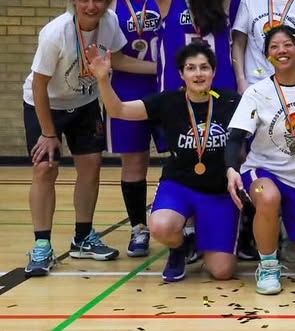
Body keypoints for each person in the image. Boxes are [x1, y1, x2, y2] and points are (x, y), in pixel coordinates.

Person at [54, 0, 162, 258]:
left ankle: (188, 220)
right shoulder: (107, 2)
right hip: (127, 90)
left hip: (166, 91)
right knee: (134, 163)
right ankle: (138, 228)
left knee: (184, 154)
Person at [23, 0, 152, 275]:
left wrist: (162, 68)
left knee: (92, 164)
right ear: (73, 1)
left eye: (97, 0)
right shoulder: (55, 33)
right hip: (45, 104)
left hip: (83, 103)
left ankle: (83, 238)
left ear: (107, 2)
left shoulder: (108, 22)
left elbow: (117, 61)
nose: (90, 6)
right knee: (45, 167)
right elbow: (40, 85)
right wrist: (48, 132)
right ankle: (42, 245)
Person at [90, 42, 242, 282]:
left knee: (222, 272)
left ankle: (205, 235)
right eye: (191, 68)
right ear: (181, 74)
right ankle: (178, 248)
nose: (198, 73)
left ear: (213, 71)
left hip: (218, 192)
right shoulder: (168, 101)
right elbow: (118, 110)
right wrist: (102, 80)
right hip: (179, 185)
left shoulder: (232, 102)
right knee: (161, 225)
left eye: (204, 67)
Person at [225, 26, 295, 294]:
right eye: (274, 47)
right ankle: (268, 263)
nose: (281, 51)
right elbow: (236, 136)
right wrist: (231, 169)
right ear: (266, 55)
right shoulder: (257, 92)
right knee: (268, 196)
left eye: (287, 45)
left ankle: (282, 234)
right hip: (263, 173)